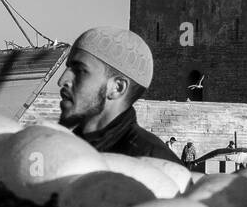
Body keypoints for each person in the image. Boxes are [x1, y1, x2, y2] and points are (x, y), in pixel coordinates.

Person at [57, 27, 178, 162]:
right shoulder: (59, 149)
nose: (62, 81)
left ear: (117, 87)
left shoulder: (157, 162)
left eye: (80, 71)